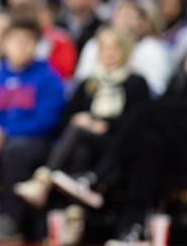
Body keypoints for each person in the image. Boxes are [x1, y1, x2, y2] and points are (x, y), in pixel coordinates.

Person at [51, 8, 187, 244]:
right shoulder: (183, 68)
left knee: (147, 111)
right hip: (176, 147)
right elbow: (176, 104)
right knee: (149, 144)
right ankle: (130, 231)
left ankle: (97, 179)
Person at [13, 26, 150, 208]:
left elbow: (138, 119)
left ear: (124, 51)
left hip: (119, 144)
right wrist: (82, 119)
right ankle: (75, 214)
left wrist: (103, 123)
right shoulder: (89, 82)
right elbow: (68, 114)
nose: (109, 53)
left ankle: (42, 181)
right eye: (104, 48)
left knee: (78, 132)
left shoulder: (136, 82)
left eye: (114, 48)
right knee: (80, 149)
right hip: (87, 140)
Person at [0, 17, 65, 241]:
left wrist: (3, 133)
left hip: (35, 142)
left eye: (27, 41)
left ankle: (11, 220)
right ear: (5, 44)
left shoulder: (49, 78)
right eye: (15, 40)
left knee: (15, 150)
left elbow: (46, 121)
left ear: (36, 45)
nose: (21, 46)